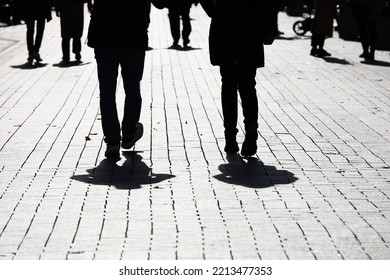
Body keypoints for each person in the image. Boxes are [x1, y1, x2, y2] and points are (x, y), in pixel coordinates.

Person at [87, 0, 167, 159]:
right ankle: (129, 132)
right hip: (133, 35)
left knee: (107, 92)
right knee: (132, 88)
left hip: (105, 35)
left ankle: (112, 140)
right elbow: (160, 3)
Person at [199, 0, 277, 157]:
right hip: (249, 27)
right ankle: (250, 132)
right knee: (247, 85)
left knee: (228, 85)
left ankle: (230, 136)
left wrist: (215, 10)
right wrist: (269, 27)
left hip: (225, 27)